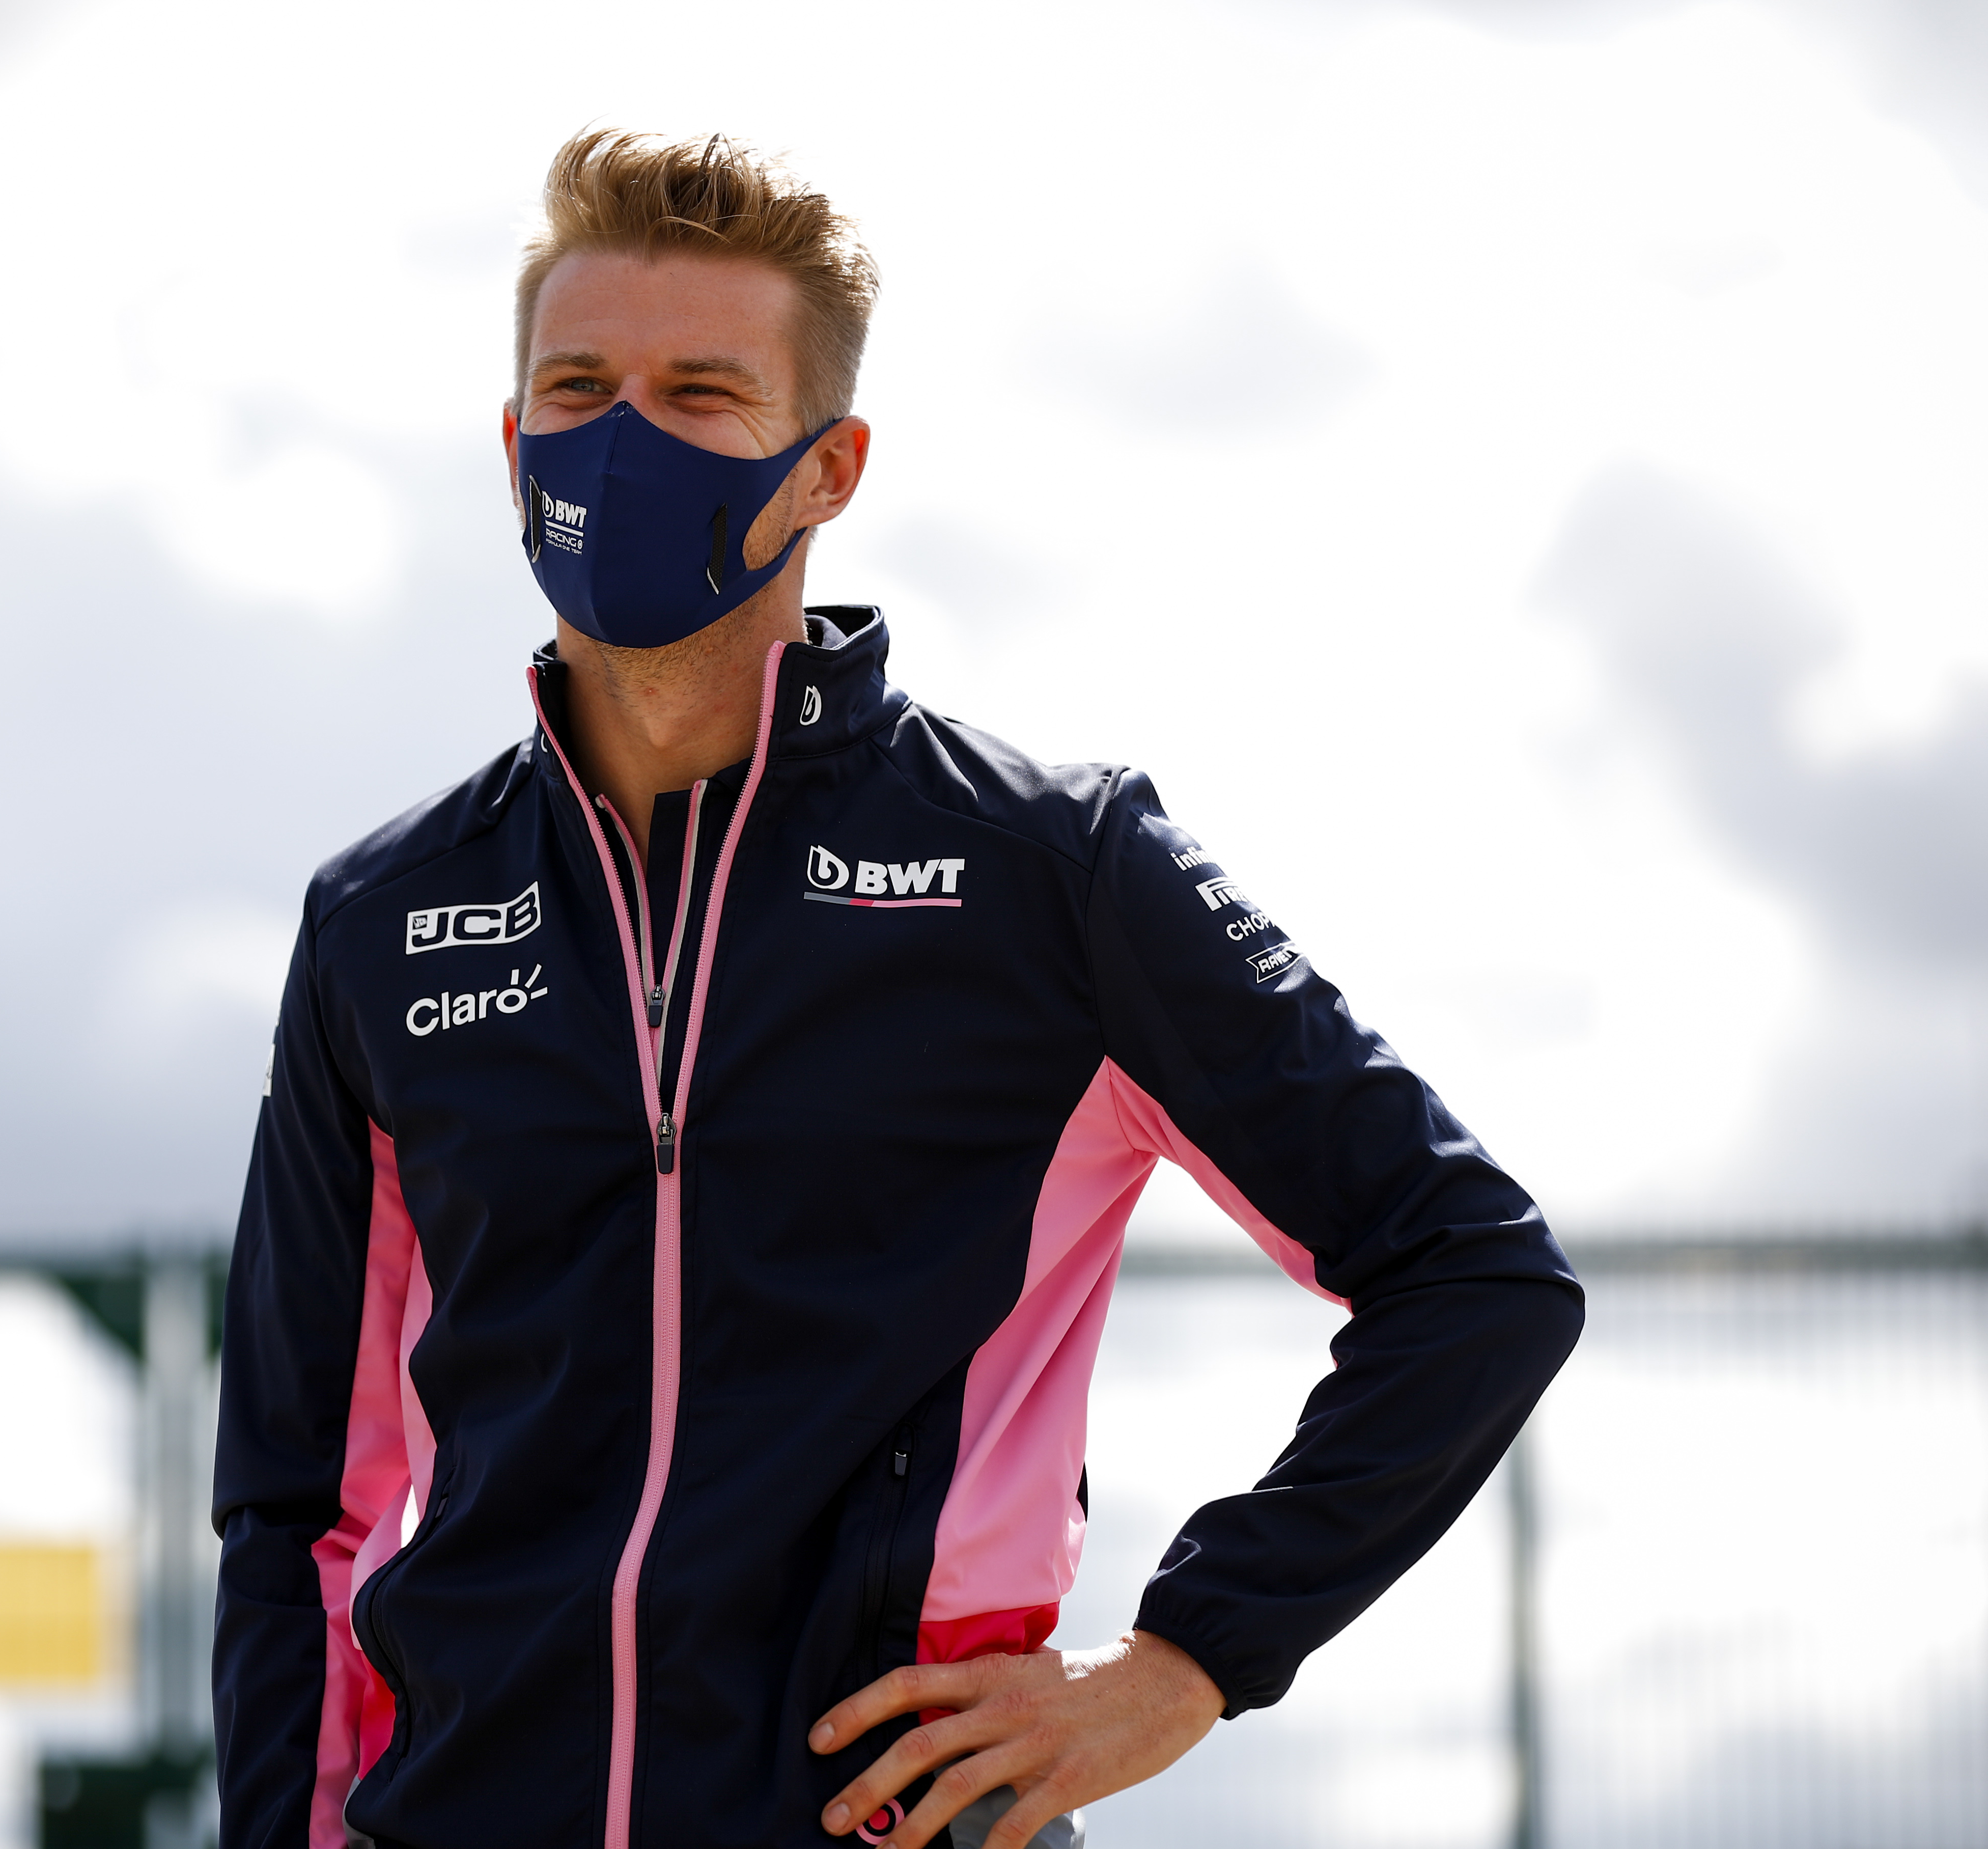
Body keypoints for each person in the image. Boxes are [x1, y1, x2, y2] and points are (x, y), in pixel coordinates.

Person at [211, 130, 1584, 1849]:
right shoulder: (385, 917)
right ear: (511, 447)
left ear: (828, 469)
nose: (622, 441)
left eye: (702, 396)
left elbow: (1473, 1273)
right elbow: (295, 1512)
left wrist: (1185, 1661)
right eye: (577, 389)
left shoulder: (1055, 870)